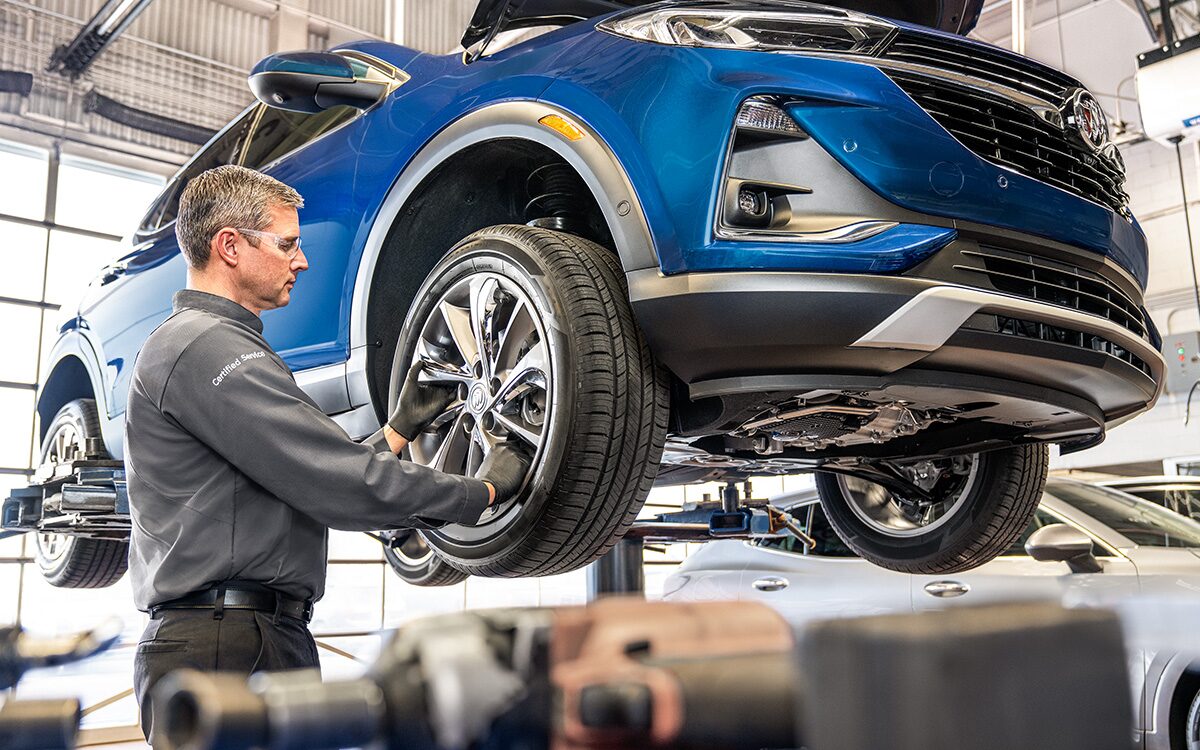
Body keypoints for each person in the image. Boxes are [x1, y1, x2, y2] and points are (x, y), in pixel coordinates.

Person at [123, 164, 531, 744]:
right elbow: (339, 483)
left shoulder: (218, 346)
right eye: (287, 243)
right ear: (230, 246)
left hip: (248, 634)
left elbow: (306, 478)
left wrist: (398, 430)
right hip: (223, 643)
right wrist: (480, 492)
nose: (302, 260)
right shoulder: (202, 347)